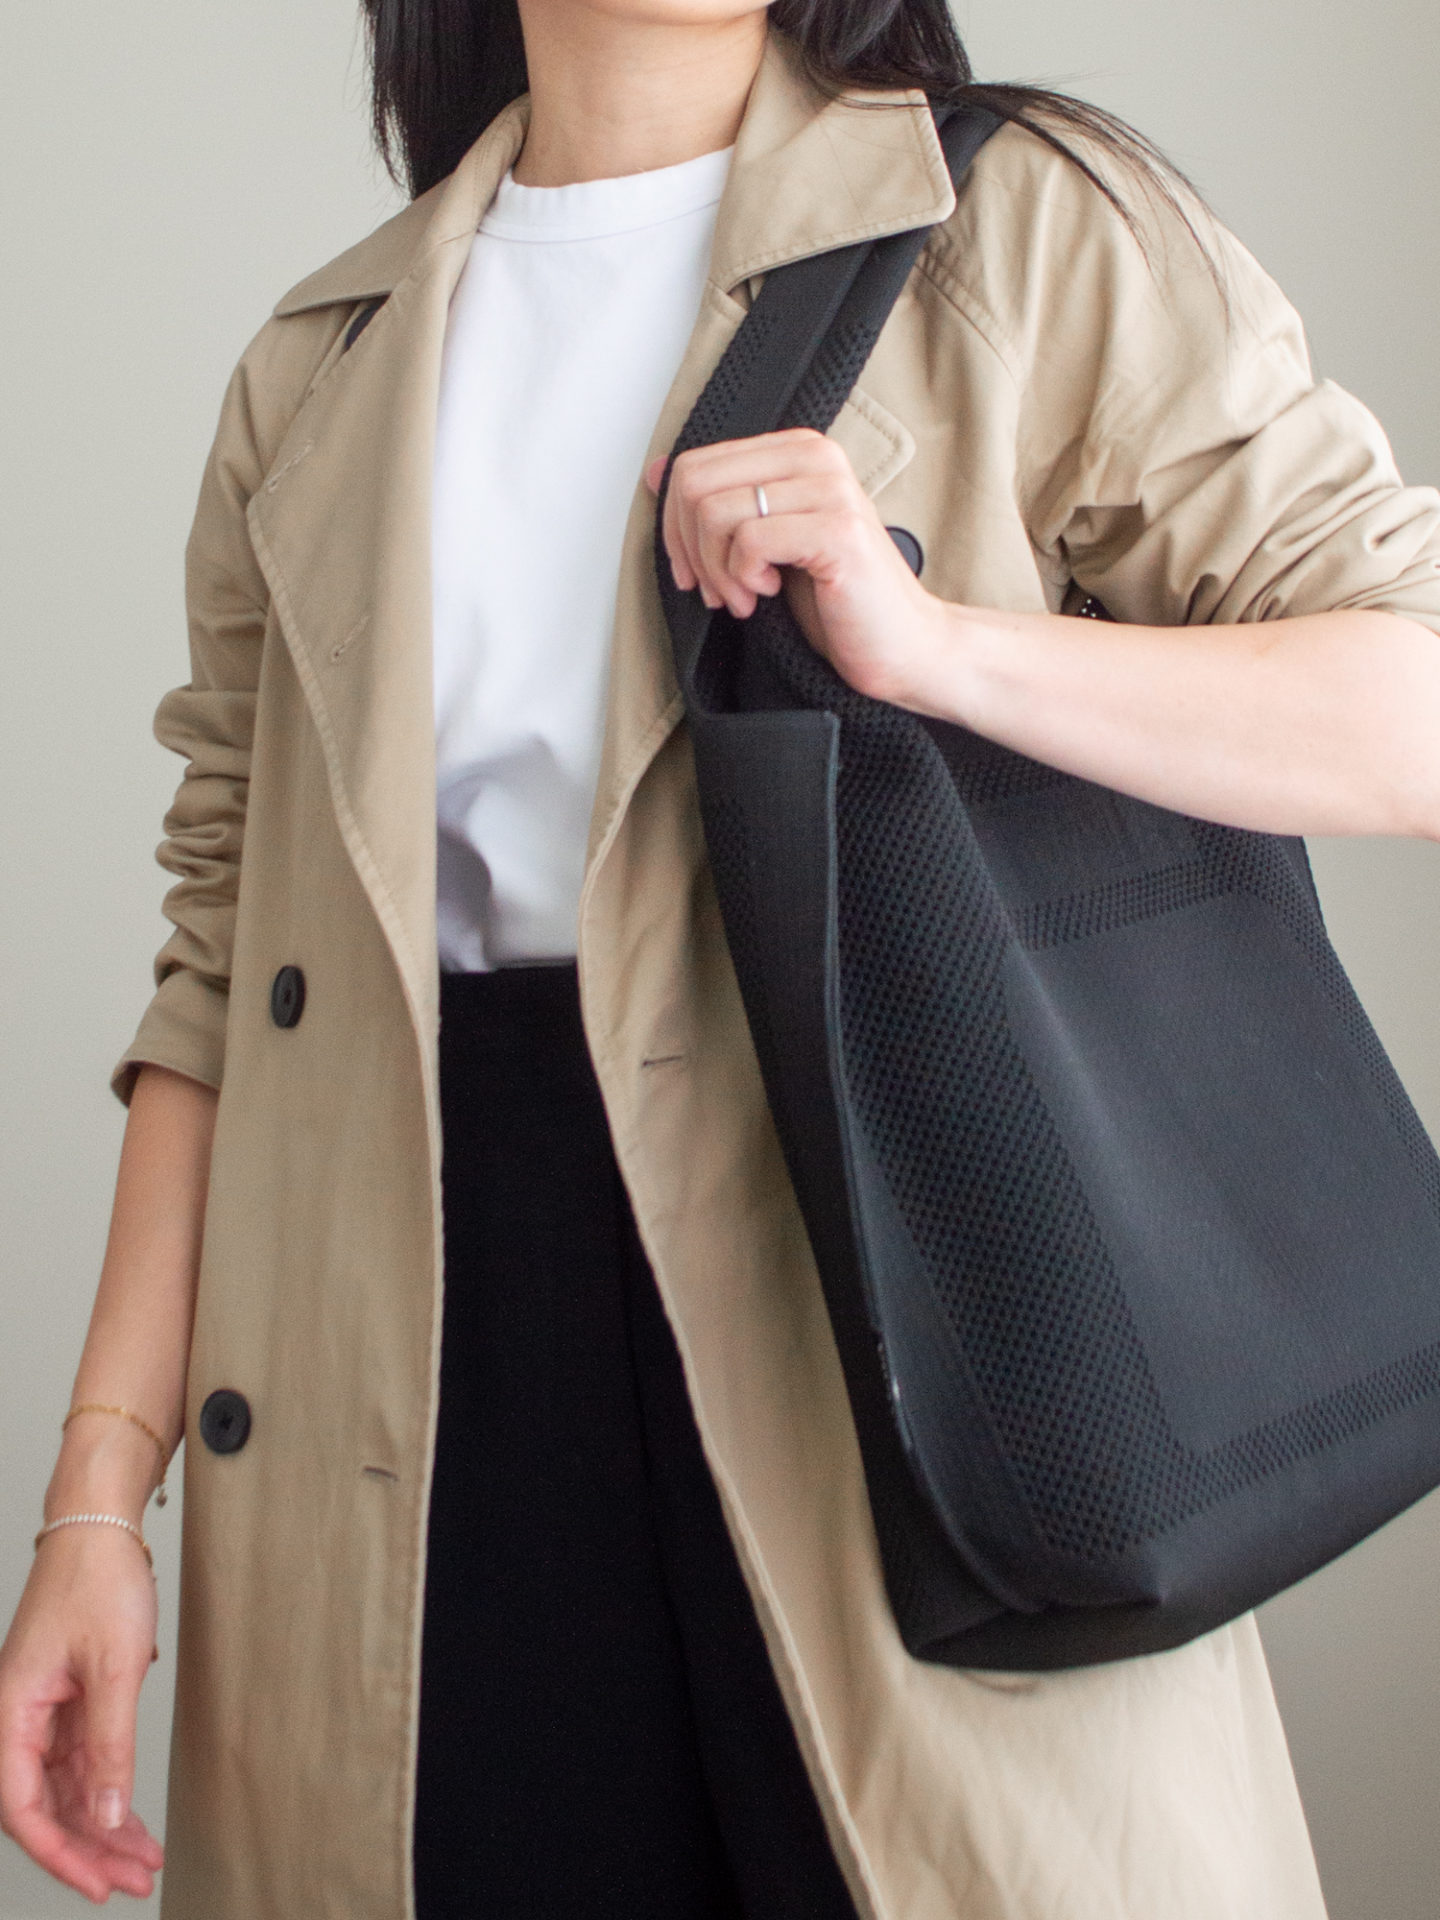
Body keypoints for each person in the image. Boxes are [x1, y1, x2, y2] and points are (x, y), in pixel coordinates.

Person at [3, 0, 1440, 1913]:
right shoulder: (321, 367)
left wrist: (933, 651)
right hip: (419, 1414)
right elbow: (220, 974)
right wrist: (99, 1498)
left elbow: (1409, 699)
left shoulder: (1013, 226)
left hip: (894, 1337)